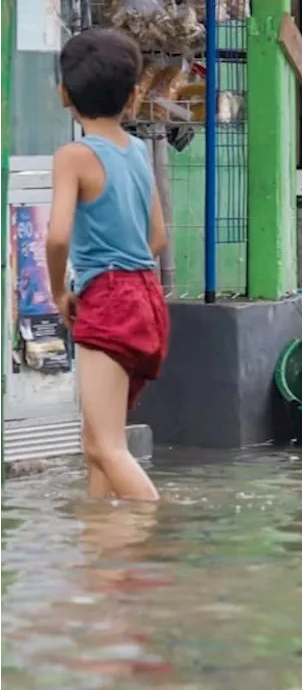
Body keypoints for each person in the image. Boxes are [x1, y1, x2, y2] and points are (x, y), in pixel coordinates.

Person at [47, 27, 168, 501]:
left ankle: (157, 530)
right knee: (96, 447)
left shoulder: (73, 156)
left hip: (109, 298)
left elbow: (57, 235)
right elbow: (157, 238)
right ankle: (101, 556)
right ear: (134, 95)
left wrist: (60, 291)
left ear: (63, 95)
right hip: (146, 298)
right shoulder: (136, 152)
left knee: (109, 447)